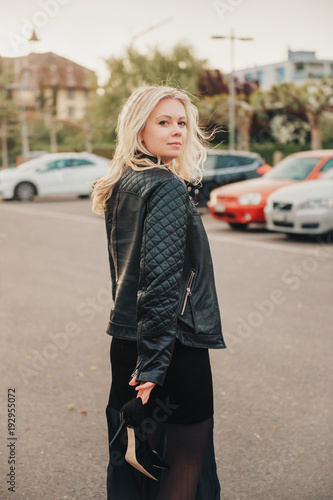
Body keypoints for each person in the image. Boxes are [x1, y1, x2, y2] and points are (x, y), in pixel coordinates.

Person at [91, 85, 226, 500]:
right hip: (171, 349)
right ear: (139, 128)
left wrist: (143, 358)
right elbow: (161, 283)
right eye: (163, 122)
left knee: (134, 465)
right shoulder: (165, 185)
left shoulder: (122, 182)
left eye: (182, 122)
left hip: (129, 341)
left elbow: (126, 277)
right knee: (183, 470)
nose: (177, 131)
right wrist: (152, 366)